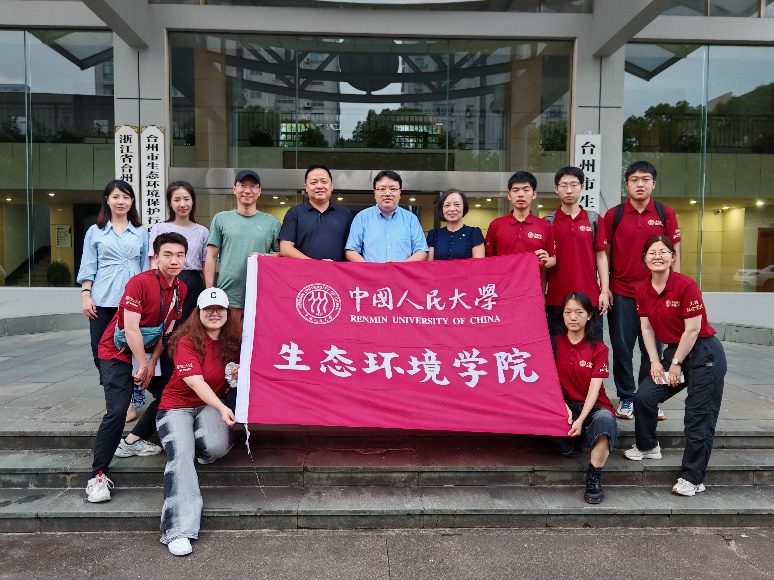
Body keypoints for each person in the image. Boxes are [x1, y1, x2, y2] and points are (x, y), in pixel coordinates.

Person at [85, 232, 188, 504]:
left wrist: (152, 362)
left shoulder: (181, 288)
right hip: (117, 352)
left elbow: (166, 331)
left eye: (179, 255)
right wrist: (142, 364)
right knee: (118, 410)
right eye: (168, 254)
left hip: (148, 352)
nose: (174, 260)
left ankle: (131, 441)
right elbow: (130, 329)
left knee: (171, 393)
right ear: (156, 257)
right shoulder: (139, 282)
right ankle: (97, 475)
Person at [623, 236, 727, 497]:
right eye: (651, 252)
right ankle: (648, 447)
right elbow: (647, 327)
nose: (657, 256)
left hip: (703, 353)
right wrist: (655, 361)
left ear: (673, 256)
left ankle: (693, 478)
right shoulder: (641, 288)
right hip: (673, 351)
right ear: (644, 258)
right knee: (644, 396)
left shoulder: (686, 285)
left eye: (663, 252)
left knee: (698, 416)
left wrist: (676, 364)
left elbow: (692, 330)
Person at [115, 181, 210, 458]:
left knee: (183, 338)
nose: (182, 203)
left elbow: (205, 264)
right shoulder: (148, 272)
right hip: (137, 334)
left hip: (190, 287)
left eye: (187, 198)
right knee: (169, 351)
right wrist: (146, 364)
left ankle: (136, 437)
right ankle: (133, 436)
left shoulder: (201, 233)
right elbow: (134, 327)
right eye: (177, 199)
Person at [156, 287, 241, 557]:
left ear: (227, 312)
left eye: (220, 309)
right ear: (199, 312)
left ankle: (201, 449)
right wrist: (222, 407)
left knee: (216, 447)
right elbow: (196, 382)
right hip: (176, 407)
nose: (215, 313)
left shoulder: (235, 342)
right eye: (208, 309)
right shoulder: (187, 342)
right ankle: (178, 530)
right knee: (181, 456)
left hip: (208, 406)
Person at [604, 161, 681, 420]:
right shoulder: (614, 215)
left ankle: (649, 398)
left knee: (653, 350)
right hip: (622, 292)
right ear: (627, 185)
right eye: (634, 179)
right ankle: (627, 397)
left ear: (653, 184)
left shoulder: (664, 213)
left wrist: (675, 287)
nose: (640, 184)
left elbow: (674, 252)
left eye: (645, 179)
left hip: (655, 294)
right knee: (622, 349)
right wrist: (605, 288)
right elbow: (605, 254)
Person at [77, 179, 149, 424]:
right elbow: (88, 264)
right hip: (102, 300)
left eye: (126, 197)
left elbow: (146, 267)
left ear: (132, 201)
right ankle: (116, 398)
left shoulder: (140, 231)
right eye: (116, 196)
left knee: (129, 350)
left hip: (132, 302)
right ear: (107, 200)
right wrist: (86, 295)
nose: (121, 201)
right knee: (101, 351)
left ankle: (128, 398)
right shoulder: (95, 231)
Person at [556, 292, 618, 504]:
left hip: (593, 407)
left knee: (605, 420)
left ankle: (594, 477)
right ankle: (574, 440)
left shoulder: (599, 349)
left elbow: (594, 389)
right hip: (563, 407)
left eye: (579, 312)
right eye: (568, 312)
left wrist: (581, 419)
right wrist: (562, 407)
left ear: (589, 315)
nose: (573, 317)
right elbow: (548, 383)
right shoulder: (553, 344)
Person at [545, 167, 609, 347]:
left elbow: (601, 256)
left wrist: (604, 291)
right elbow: (544, 264)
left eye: (574, 185)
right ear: (556, 189)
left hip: (589, 298)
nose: (569, 190)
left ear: (582, 187)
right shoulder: (548, 222)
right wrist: (542, 294)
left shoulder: (593, 219)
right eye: (563, 185)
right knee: (558, 351)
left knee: (592, 349)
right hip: (557, 300)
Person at [205, 170, 280, 315]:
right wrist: (210, 290)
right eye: (242, 185)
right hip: (227, 296)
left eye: (253, 186)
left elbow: (281, 255)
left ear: (259, 191)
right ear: (234, 189)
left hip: (261, 295)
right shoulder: (221, 219)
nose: (247, 191)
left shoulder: (272, 222)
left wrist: (263, 257)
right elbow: (211, 256)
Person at [345, 170, 428, 263]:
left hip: (402, 272)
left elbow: (421, 252)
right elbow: (351, 251)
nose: (388, 193)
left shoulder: (411, 219)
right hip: (371, 272)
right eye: (382, 189)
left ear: (400, 192)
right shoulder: (362, 218)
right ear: (375, 192)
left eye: (393, 189)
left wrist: (399, 267)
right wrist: (370, 268)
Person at [484, 171, 556, 271]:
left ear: (534, 194)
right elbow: (487, 259)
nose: (521, 194)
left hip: (532, 281)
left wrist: (546, 260)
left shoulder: (545, 226)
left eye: (526, 190)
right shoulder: (496, 225)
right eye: (515, 190)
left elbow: (553, 258)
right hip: (503, 280)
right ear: (509, 195)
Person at [279, 165, 353, 261]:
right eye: (314, 182)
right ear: (306, 187)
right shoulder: (294, 213)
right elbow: (285, 249)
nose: (319, 186)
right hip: (303, 270)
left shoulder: (345, 214)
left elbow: (352, 250)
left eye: (324, 182)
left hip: (336, 270)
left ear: (332, 186)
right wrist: (316, 264)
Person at [426, 189, 485, 261]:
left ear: (464, 207)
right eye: (447, 205)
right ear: (442, 209)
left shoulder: (474, 233)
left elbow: (479, 265)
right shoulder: (433, 234)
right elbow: (429, 265)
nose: (452, 209)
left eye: (457, 205)